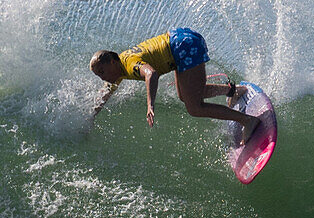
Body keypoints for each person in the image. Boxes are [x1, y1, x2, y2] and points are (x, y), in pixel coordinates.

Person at [88, 28, 261, 144]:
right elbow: (106, 92)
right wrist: (90, 117)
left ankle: (248, 121)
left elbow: (151, 74)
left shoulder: (129, 65)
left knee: (194, 108)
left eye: (102, 72)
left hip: (183, 46)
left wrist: (150, 104)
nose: (103, 77)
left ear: (112, 62)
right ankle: (233, 91)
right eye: (98, 75)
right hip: (180, 42)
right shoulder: (119, 68)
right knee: (186, 96)